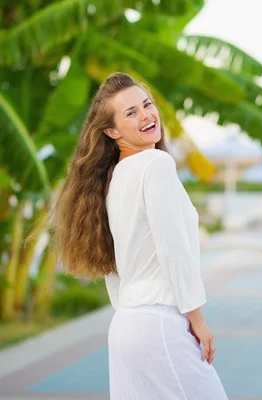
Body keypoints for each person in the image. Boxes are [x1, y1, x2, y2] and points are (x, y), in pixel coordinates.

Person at [51, 72, 227, 399]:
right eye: (131, 112)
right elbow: (173, 250)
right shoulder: (155, 165)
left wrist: (133, 313)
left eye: (147, 105)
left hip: (126, 326)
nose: (146, 115)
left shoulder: (111, 180)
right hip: (160, 324)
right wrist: (197, 319)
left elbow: (113, 265)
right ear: (112, 131)